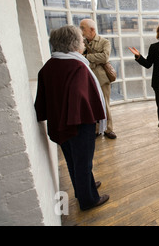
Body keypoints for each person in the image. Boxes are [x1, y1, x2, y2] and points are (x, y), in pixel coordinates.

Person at [34, 25, 109, 211]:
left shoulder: (48, 66)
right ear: (74, 43)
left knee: (73, 160)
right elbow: (81, 99)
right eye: (81, 39)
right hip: (78, 123)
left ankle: (84, 188)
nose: (83, 42)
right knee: (83, 161)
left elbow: (43, 100)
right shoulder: (77, 66)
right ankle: (89, 200)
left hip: (59, 123)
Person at [80, 18, 117, 139]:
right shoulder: (82, 42)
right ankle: (97, 129)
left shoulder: (104, 42)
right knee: (92, 104)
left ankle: (108, 129)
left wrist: (86, 56)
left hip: (102, 79)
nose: (81, 31)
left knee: (105, 104)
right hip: (87, 78)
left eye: (82, 28)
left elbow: (104, 57)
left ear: (92, 29)